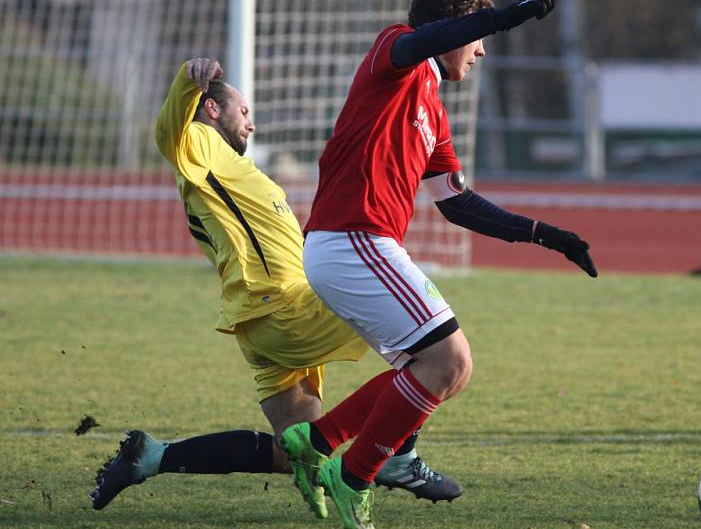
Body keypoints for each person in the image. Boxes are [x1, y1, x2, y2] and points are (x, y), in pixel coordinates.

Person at [280, 0, 597, 529]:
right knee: (450, 362)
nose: (480, 51)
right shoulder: (395, 53)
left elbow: (459, 204)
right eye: (475, 37)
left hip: (356, 247)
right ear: (450, 31)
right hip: (352, 240)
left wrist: (549, 235)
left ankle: (317, 440)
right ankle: (354, 477)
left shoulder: (435, 110)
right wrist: (507, 15)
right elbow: (423, 41)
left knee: (426, 370)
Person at [89, 58, 463, 518]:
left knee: (296, 452)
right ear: (210, 109)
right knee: (430, 347)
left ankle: (151, 456)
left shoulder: (230, 170)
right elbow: (171, 132)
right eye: (242, 111)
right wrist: (187, 78)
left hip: (263, 321)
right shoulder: (200, 144)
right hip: (286, 309)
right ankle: (399, 455)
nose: (250, 121)